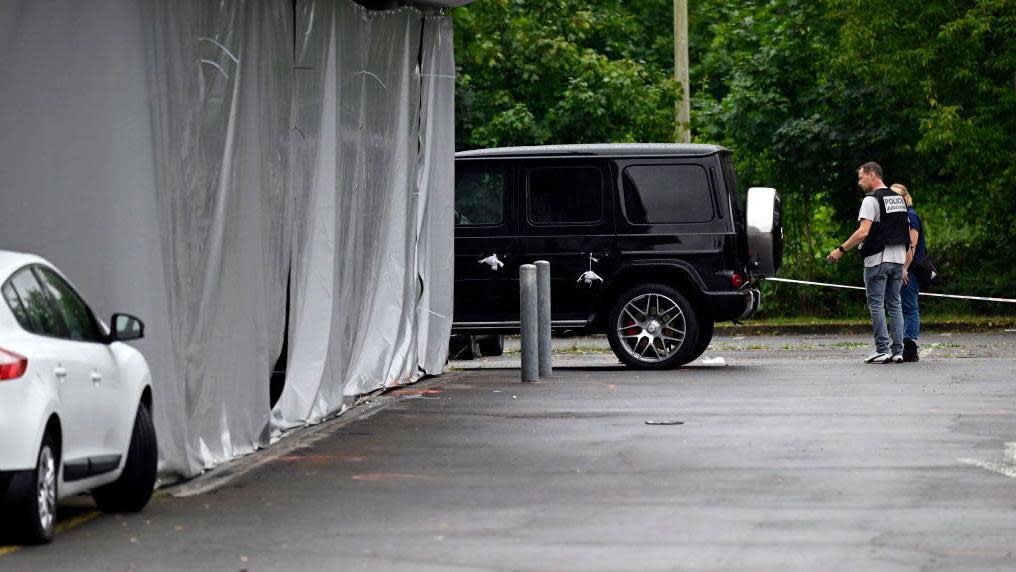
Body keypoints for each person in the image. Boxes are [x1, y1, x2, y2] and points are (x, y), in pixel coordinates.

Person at [826, 162, 911, 363]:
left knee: (876, 304)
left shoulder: (870, 200)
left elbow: (863, 231)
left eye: (861, 177)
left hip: (878, 259)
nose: (859, 182)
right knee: (895, 304)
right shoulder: (899, 199)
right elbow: (905, 232)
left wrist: (841, 250)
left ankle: (882, 349)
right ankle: (898, 351)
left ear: (872, 176)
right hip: (898, 259)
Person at [891, 183, 925, 362]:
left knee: (909, 306)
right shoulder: (901, 216)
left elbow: (912, 244)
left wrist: (904, 268)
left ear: (905, 198)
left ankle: (910, 347)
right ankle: (904, 344)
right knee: (902, 306)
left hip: (909, 268)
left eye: (897, 196)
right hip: (903, 267)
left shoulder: (910, 216)